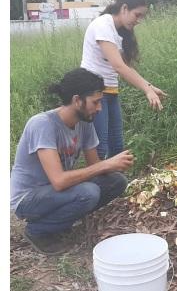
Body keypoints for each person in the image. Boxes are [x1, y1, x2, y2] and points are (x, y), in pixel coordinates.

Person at [10, 68, 133, 255]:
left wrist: (115, 165)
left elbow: (95, 168)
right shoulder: (42, 124)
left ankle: (61, 221)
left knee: (116, 181)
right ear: (77, 100)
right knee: (88, 192)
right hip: (28, 198)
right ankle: (38, 231)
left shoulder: (85, 123)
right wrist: (105, 164)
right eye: (96, 102)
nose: (100, 108)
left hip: (55, 193)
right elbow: (59, 181)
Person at [80, 0, 167, 160]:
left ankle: (115, 185)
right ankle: (96, 185)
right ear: (124, 8)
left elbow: (126, 66)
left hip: (111, 92)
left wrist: (150, 87)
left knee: (117, 147)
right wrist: (146, 90)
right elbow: (118, 66)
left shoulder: (118, 31)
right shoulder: (103, 25)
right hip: (94, 94)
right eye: (137, 15)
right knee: (100, 148)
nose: (138, 20)